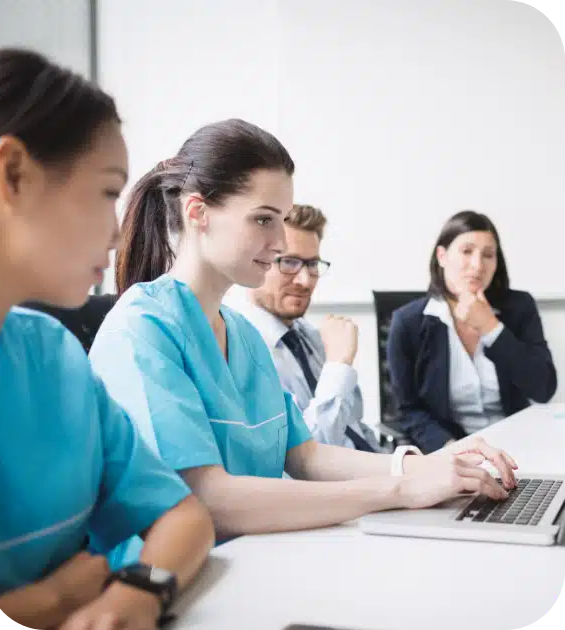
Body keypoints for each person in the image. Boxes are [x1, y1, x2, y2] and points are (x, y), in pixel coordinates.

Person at [89, 119, 517, 563]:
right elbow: (205, 498)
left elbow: (305, 456)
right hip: (166, 586)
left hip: (256, 560)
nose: (278, 244)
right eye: (263, 220)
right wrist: (401, 488)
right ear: (197, 213)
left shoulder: (241, 334)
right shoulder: (142, 330)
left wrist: (429, 463)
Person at [0, 49, 214, 630]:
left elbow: (185, 516)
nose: (117, 234)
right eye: (109, 192)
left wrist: (135, 593)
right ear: (14, 175)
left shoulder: (53, 357)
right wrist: (38, 605)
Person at [387, 210, 557, 453]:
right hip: (450, 452)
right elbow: (408, 410)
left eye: (488, 255)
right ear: (442, 256)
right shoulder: (408, 322)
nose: (477, 266)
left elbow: (543, 389)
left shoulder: (519, 307)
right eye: (466, 251)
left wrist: (491, 327)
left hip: (518, 447)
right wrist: (454, 451)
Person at [236, 203, 380, 452]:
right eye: (289, 262)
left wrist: (397, 463)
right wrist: (338, 366)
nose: (305, 281)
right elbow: (306, 459)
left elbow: (355, 428)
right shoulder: (242, 348)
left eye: (312, 264)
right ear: (256, 261)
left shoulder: (312, 337)